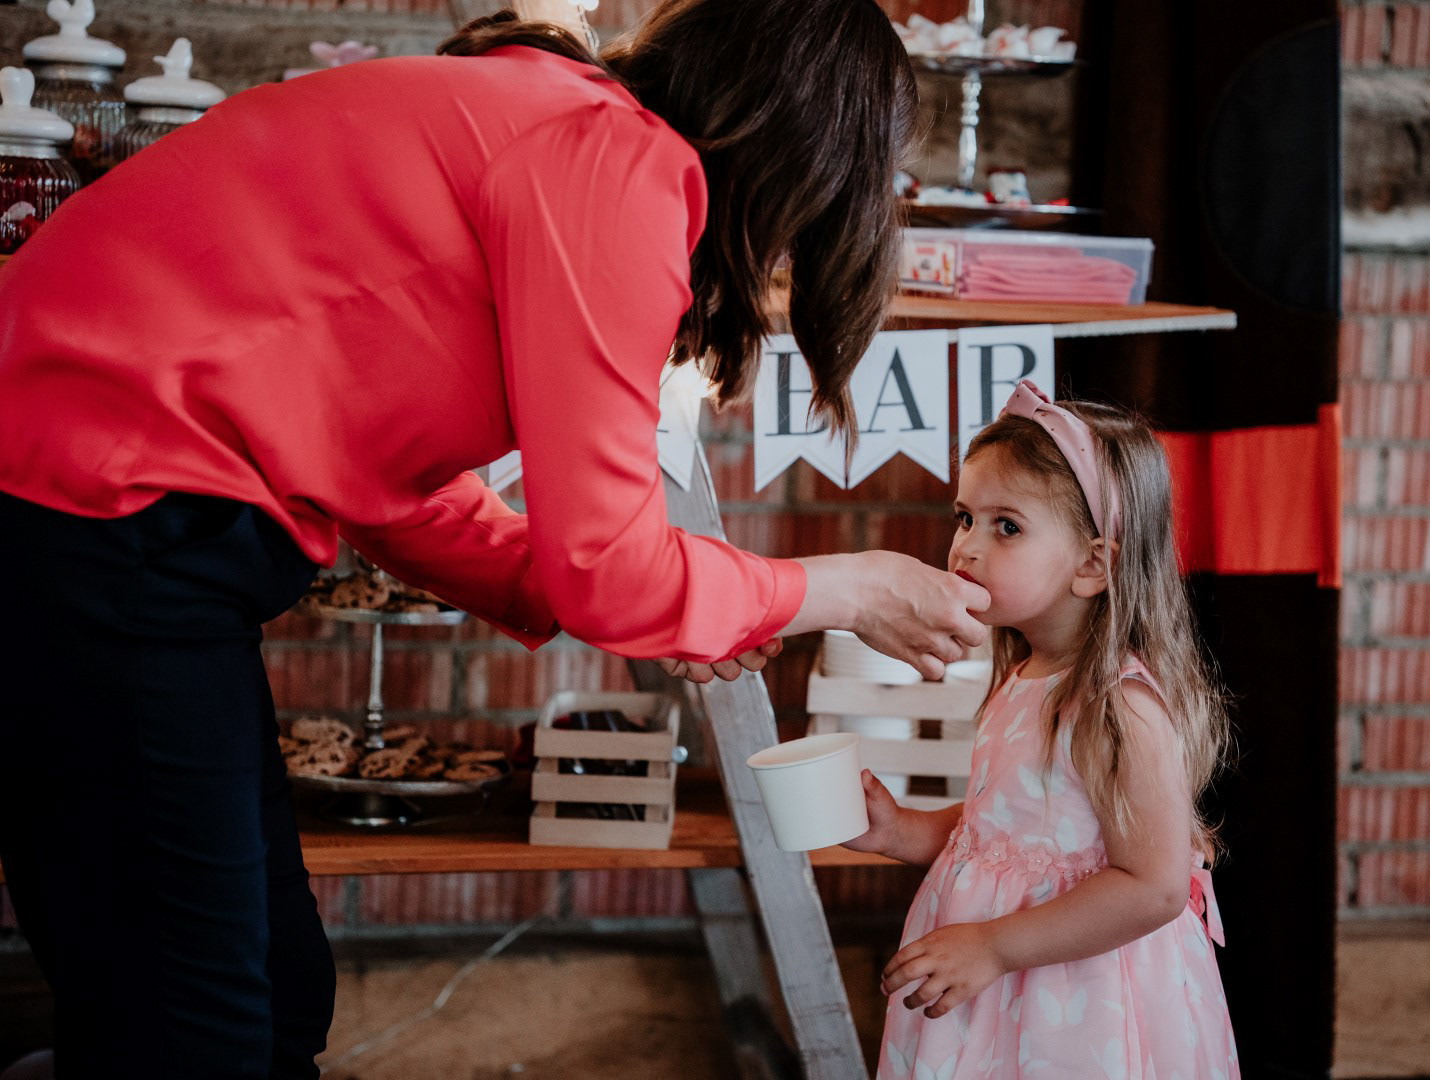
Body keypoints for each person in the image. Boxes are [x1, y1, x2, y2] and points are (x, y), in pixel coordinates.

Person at [0, 3, 988, 1077]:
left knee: (275, 998)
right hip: (96, 500)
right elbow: (609, 568)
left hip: (104, 511)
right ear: (809, 148)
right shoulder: (616, 162)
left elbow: (400, 496)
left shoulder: (560, 128)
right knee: (198, 1031)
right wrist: (849, 588)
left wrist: (671, 603)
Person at [846, 380, 1238, 1078]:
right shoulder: (1024, 676)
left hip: (1076, 1003)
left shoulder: (1119, 707)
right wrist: (901, 831)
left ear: (1092, 564)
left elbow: (1153, 888)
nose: (966, 547)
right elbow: (1010, 833)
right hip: (999, 987)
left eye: (1007, 527)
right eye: (966, 518)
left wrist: (994, 946)